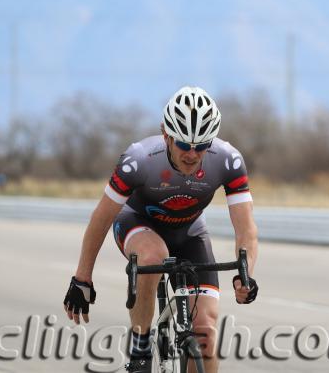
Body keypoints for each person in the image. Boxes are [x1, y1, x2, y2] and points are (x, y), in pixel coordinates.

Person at [63, 86, 259, 373]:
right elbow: (100, 220)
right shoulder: (139, 159)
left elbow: (246, 229)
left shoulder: (228, 160)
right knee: (153, 254)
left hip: (189, 232)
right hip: (138, 223)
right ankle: (141, 345)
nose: (192, 154)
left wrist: (247, 274)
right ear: (166, 135)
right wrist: (82, 278)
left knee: (204, 331)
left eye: (202, 145)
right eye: (183, 144)